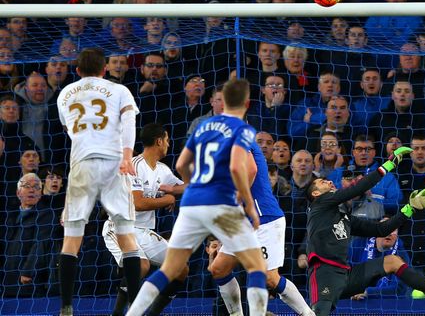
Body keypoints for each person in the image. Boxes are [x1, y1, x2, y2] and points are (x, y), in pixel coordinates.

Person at [126, 79, 268, 316]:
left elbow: (182, 164)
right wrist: (245, 202)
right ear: (245, 103)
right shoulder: (241, 129)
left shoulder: (203, 127)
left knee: (169, 268)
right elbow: (244, 169)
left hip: (193, 205)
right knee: (256, 267)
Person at [304, 146, 425, 315]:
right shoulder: (319, 206)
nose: (330, 181)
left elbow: (381, 229)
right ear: (316, 193)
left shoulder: (343, 217)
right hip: (324, 274)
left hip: (346, 275)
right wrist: (388, 165)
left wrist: (409, 208)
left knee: (393, 261)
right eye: (323, 182)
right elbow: (356, 189)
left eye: (328, 180)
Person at [55, 48, 142, 316]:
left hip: (81, 163)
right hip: (115, 162)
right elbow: (128, 123)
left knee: (71, 240)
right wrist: (127, 156)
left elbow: (71, 130)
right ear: (105, 69)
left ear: (77, 70)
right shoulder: (119, 90)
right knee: (127, 238)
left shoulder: (64, 94)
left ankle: (66, 306)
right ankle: (136, 307)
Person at [207, 123, 315, 316]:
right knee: (219, 269)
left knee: (270, 278)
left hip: (264, 218)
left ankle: (308, 314)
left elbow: (251, 170)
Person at [104, 123, 187, 316]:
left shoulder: (163, 170)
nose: (168, 143)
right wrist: (168, 198)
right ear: (159, 141)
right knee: (141, 265)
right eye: (166, 140)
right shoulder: (133, 166)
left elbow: (182, 187)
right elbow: (138, 203)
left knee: (180, 268)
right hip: (120, 228)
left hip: (144, 231)